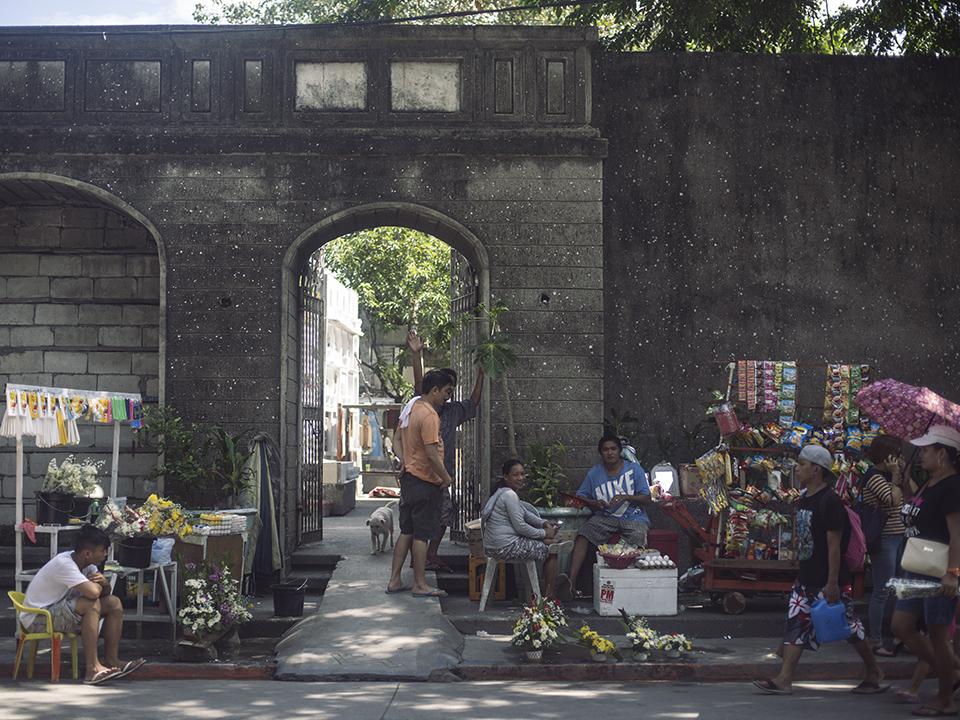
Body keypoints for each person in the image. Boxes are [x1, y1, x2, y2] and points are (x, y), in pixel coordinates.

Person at [753, 444, 885, 696]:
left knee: (849, 628)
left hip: (828, 578)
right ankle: (784, 679)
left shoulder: (830, 501)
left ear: (816, 469)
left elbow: (834, 546)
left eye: (802, 464)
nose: (797, 468)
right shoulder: (805, 497)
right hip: (806, 576)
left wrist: (832, 582)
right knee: (796, 625)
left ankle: (873, 669)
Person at [890, 425, 960, 716]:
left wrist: (953, 574)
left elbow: (957, 534)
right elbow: (915, 512)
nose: (921, 456)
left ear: (942, 454)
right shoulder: (931, 483)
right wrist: (903, 483)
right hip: (915, 566)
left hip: (938, 570)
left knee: (939, 636)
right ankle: (952, 671)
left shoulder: (952, 486)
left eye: (926, 450)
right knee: (901, 627)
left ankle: (945, 698)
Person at [402, 329, 484, 571]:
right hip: (420, 476)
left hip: (440, 477)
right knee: (417, 525)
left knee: (444, 516)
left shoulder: (452, 411)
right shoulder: (423, 407)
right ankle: (418, 563)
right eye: (445, 388)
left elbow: (473, 403)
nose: (448, 393)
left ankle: (430, 555)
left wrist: (481, 374)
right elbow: (419, 385)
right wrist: (417, 356)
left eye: (451, 389)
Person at [21, 524, 145, 685]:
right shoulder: (65, 564)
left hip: (59, 610)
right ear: (87, 553)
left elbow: (103, 593)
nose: (105, 554)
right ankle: (92, 669)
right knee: (91, 604)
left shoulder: (87, 565)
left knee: (114, 603)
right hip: (38, 618)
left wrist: (105, 584)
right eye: (102, 550)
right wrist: (99, 587)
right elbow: (93, 593)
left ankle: (111, 660)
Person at [386, 369, 455, 598]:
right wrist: (446, 478)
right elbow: (432, 453)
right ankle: (419, 584)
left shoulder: (411, 408)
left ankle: (394, 580)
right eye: (446, 391)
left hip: (409, 480)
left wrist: (403, 460)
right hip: (425, 481)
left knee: (406, 531)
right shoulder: (429, 415)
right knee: (422, 535)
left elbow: (396, 440)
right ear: (434, 390)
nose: (448, 397)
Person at [564, 433, 652, 597]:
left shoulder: (634, 469)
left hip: (634, 517)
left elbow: (647, 498)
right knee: (584, 534)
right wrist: (595, 503)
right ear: (601, 453)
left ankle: (632, 589)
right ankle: (571, 583)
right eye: (605, 450)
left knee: (638, 536)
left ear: (619, 451)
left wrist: (626, 496)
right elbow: (581, 497)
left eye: (613, 449)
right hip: (605, 517)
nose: (610, 453)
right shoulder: (594, 473)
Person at [481, 459, 562, 598]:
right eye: (515, 475)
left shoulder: (501, 492)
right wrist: (544, 533)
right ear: (506, 477)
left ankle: (540, 597)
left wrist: (544, 523)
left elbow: (526, 514)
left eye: (522, 474)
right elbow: (521, 527)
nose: (520, 478)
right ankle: (549, 597)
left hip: (493, 545)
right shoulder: (509, 495)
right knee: (552, 548)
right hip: (505, 547)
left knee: (548, 542)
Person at [860, 433, 907, 655]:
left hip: (899, 537)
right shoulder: (874, 477)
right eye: (896, 455)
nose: (899, 458)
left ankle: (900, 636)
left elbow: (911, 493)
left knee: (900, 589)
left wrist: (901, 475)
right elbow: (893, 500)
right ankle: (875, 640)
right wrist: (896, 476)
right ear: (887, 456)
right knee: (881, 590)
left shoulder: (889, 476)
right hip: (885, 539)